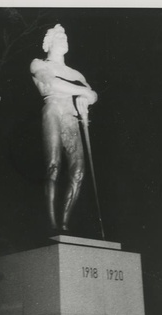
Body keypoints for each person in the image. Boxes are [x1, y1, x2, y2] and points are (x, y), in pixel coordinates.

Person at [30, 24, 98, 232]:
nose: (64, 39)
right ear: (48, 43)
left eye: (65, 36)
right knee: (53, 166)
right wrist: (83, 92)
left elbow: (93, 94)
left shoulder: (75, 73)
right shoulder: (39, 64)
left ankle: (65, 222)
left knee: (78, 172)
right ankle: (50, 223)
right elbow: (52, 84)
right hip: (52, 110)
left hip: (70, 116)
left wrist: (86, 99)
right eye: (59, 36)